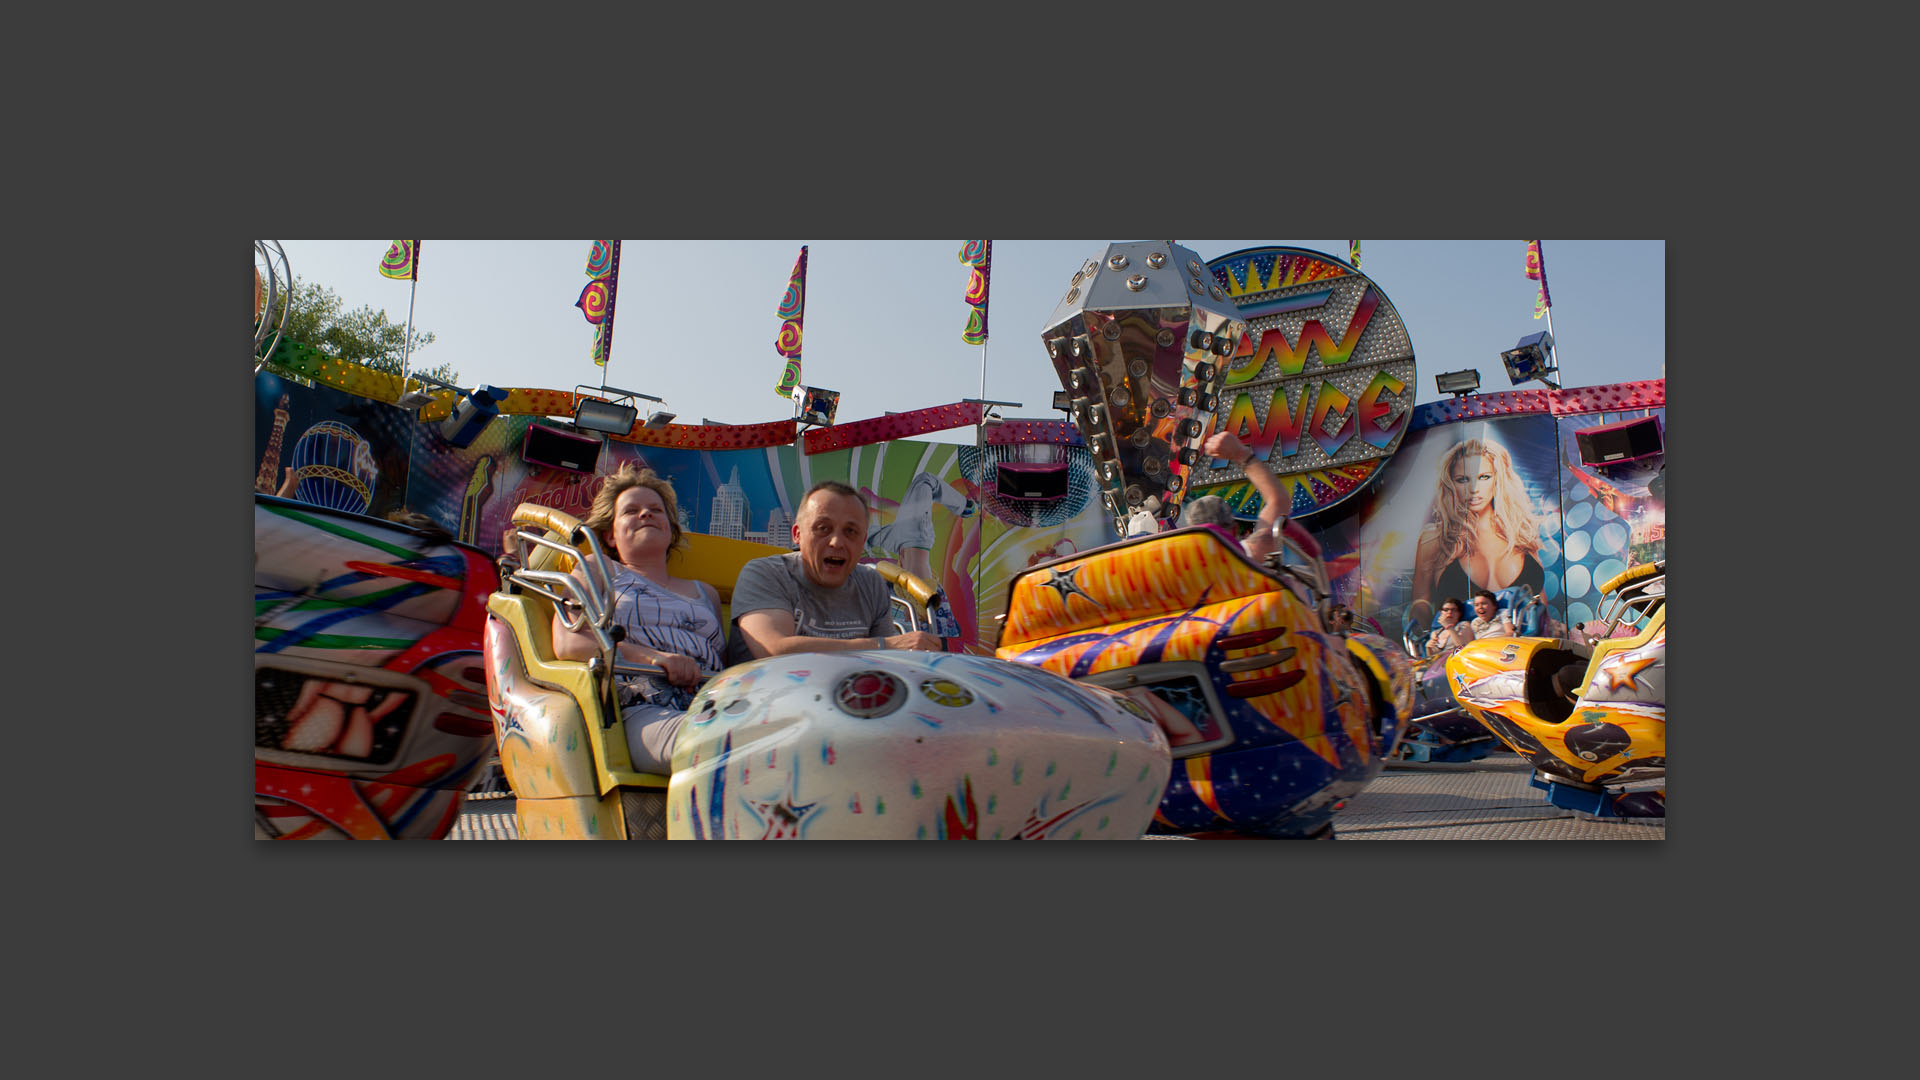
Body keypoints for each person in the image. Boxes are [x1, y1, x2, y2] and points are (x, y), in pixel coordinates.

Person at [549, 464, 725, 775]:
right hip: (642, 707)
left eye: (656, 510)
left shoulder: (706, 593)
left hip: (712, 703)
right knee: (723, 745)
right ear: (611, 535)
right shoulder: (598, 568)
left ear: (670, 530)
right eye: (632, 510)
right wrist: (656, 658)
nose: (646, 514)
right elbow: (569, 641)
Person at [728, 481, 944, 663]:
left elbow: (887, 664)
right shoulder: (765, 574)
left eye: (851, 532)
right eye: (823, 528)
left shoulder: (871, 583)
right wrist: (884, 645)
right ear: (797, 535)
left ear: (862, 541)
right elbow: (775, 651)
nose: (837, 542)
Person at [1409, 437, 1545, 631]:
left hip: (1522, 650)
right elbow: (1420, 602)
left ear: (1498, 479)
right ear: (1451, 485)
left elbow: (1540, 603)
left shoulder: (1520, 532)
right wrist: (1426, 637)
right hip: (1462, 651)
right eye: (1462, 479)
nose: (1473, 489)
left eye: (1484, 477)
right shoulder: (1435, 540)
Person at [1197, 430, 1296, 562]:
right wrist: (1240, 454)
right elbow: (1279, 502)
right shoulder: (1250, 554)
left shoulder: (1175, 572)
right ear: (1233, 531)